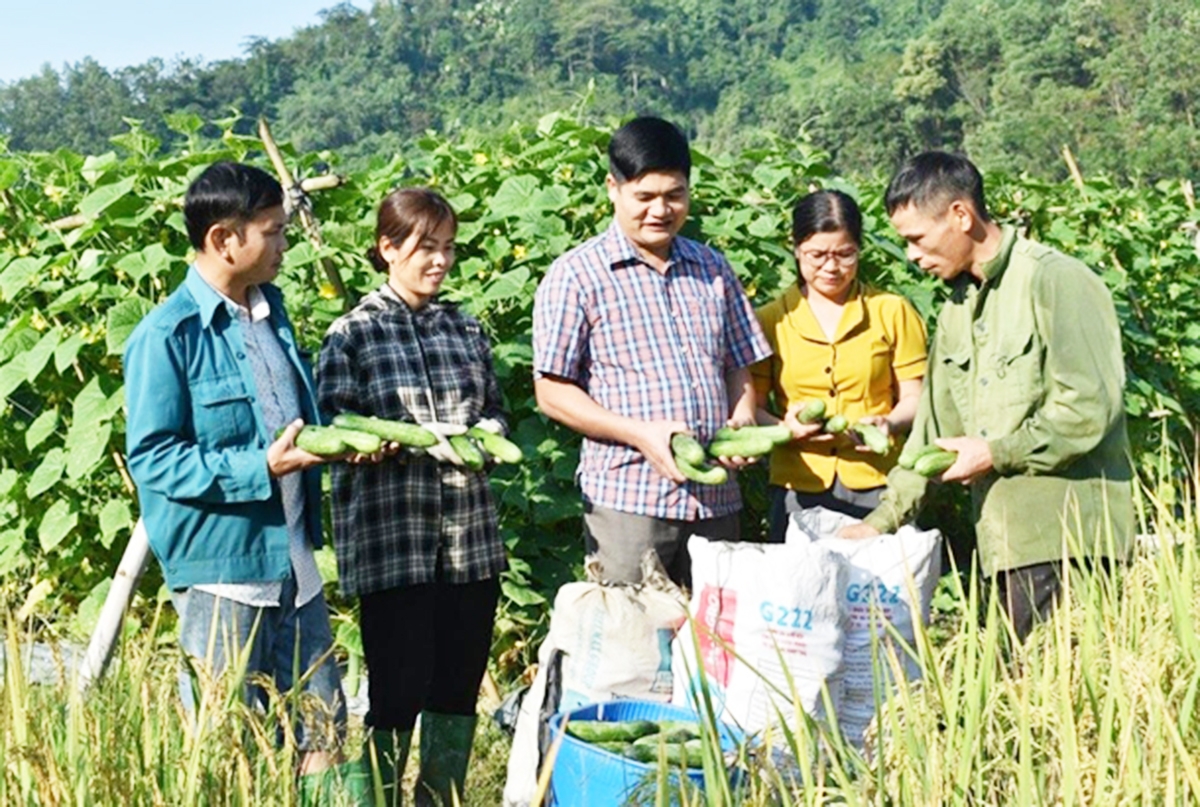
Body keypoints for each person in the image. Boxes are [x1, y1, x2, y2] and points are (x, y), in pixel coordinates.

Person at [123, 161, 362, 802]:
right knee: (230, 739)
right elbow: (154, 459)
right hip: (226, 572)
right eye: (274, 232)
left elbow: (288, 421)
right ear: (227, 239)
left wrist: (334, 444)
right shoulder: (167, 336)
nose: (285, 245)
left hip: (294, 562)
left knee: (323, 730)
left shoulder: (270, 313)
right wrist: (260, 466)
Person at [839, 151, 1134, 640]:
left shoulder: (1055, 280)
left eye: (916, 239)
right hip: (1004, 544)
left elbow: (1087, 409)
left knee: (1067, 699)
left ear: (961, 215)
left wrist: (995, 452)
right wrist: (880, 522)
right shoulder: (957, 308)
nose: (911, 255)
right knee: (1020, 693)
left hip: (1070, 539)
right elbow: (931, 435)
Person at [317, 187, 508, 806]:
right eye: (426, 247)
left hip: (469, 543)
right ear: (388, 247)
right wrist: (364, 443)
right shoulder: (353, 334)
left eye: (448, 248)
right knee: (397, 693)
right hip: (392, 542)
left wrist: (486, 437)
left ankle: (438, 801)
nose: (439, 262)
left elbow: (496, 412)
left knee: (456, 688)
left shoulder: (466, 328)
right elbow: (333, 424)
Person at [532, 116, 772, 586]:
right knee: (632, 642)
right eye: (644, 197)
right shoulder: (577, 275)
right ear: (613, 188)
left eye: (674, 195)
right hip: (629, 501)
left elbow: (738, 366)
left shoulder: (712, 268)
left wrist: (741, 422)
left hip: (716, 500)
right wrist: (640, 433)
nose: (660, 210)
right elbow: (552, 391)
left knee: (714, 640)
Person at [752, 190, 927, 543]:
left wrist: (888, 422)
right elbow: (750, 408)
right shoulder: (770, 319)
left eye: (845, 254)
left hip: (878, 483)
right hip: (797, 485)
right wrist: (784, 427)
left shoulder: (892, 311)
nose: (831, 267)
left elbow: (915, 396)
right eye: (817, 255)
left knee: (876, 594)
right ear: (796, 248)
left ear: (859, 249)